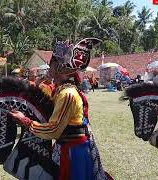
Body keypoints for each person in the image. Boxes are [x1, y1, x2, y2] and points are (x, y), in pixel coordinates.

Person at [10, 39, 110, 180]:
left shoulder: (67, 94)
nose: (49, 70)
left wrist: (25, 121)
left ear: (59, 68)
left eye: (51, 66)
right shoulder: (61, 90)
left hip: (73, 153)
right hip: (67, 147)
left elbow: (53, 130)